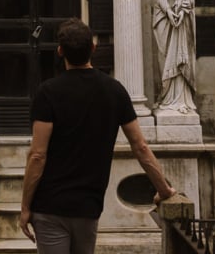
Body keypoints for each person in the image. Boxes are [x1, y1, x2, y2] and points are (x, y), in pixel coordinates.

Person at [20, 18, 176, 253]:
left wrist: (25, 208)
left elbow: (37, 155)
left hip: (49, 205)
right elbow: (140, 147)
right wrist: (163, 190)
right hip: (88, 206)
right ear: (93, 48)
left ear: (60, 51)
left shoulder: (47, 92)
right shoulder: (115, 91)